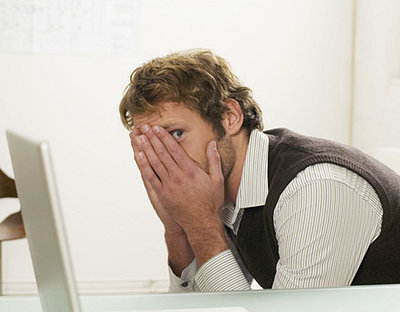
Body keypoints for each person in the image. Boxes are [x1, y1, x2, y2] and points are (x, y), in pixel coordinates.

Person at [119, 49, 400, 292]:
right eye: (151, 144)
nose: (166, 158)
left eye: (176, 133)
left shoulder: (315, 188)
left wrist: (202, 224)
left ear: (230, 117)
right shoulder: (223, 192)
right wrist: (177, 228)